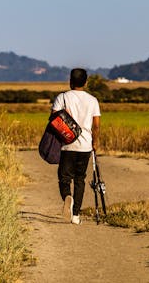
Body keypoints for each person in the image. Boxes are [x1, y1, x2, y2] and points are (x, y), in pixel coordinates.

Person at [52, 68, 101, 225]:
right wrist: (95, 141)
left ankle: (67, 197)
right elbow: (97, 125)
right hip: (85, 146)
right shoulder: (93, 100)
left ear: (70, 81)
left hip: (67, 145)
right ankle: (76, 215)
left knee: (64, 178)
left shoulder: (63, 98)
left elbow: (53, 118)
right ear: (86, 82)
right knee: (80, 179)